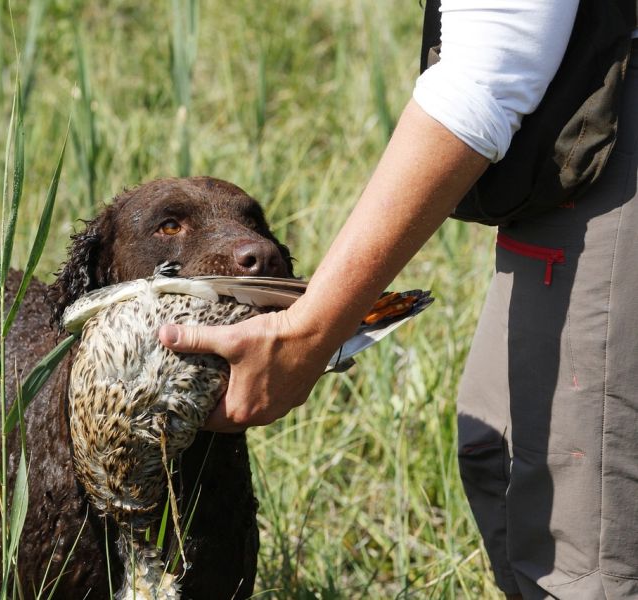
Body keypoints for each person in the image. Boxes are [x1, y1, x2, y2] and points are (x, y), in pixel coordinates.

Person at [159, 1, 638, 598]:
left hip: (612, 124)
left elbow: (488, 71)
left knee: (581, 535)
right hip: (569, 134)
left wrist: (307, 332)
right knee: (501, 455)